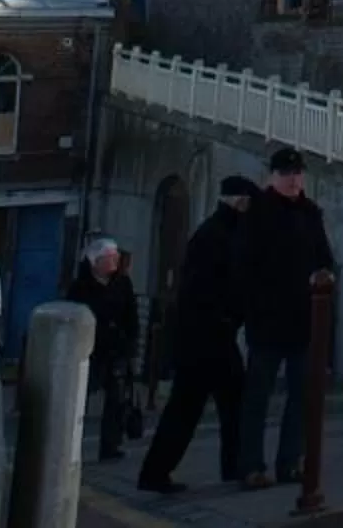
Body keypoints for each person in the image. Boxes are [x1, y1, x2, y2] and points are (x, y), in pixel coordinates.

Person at [137, 175, 254, 497]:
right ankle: (164, 471)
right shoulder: (217, 236)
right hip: (207, 334)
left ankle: (162, 470)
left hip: (205, 333)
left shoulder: (216, 232)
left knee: (207, 404)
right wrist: (228, 317)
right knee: (202, 405)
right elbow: (209, 288)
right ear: (241, 202)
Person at [231, 147, 336, 490]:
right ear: (274, 176)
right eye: (287, 174)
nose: (293, 180)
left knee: (302, 395)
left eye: (297, 174)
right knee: (258, 397)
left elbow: (325, 258)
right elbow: (244, 266)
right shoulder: (258, 213)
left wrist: (321, 280)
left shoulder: (310, 213)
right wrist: (252, 308)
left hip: (303, 319)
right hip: (267, 319)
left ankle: (290, 462)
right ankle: (251, 465)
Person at [68, 236, 142, 462]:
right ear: (96, 261)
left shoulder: (122, 283)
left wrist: (131, 345)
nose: (115, 262)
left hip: (116, 348)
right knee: (79, 398)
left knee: (117, 399)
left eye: (117, 258)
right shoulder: (81, 286)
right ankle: (70, 445)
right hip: (90, 347)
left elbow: (131, 315)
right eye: (110, 258)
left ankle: (110, 446)